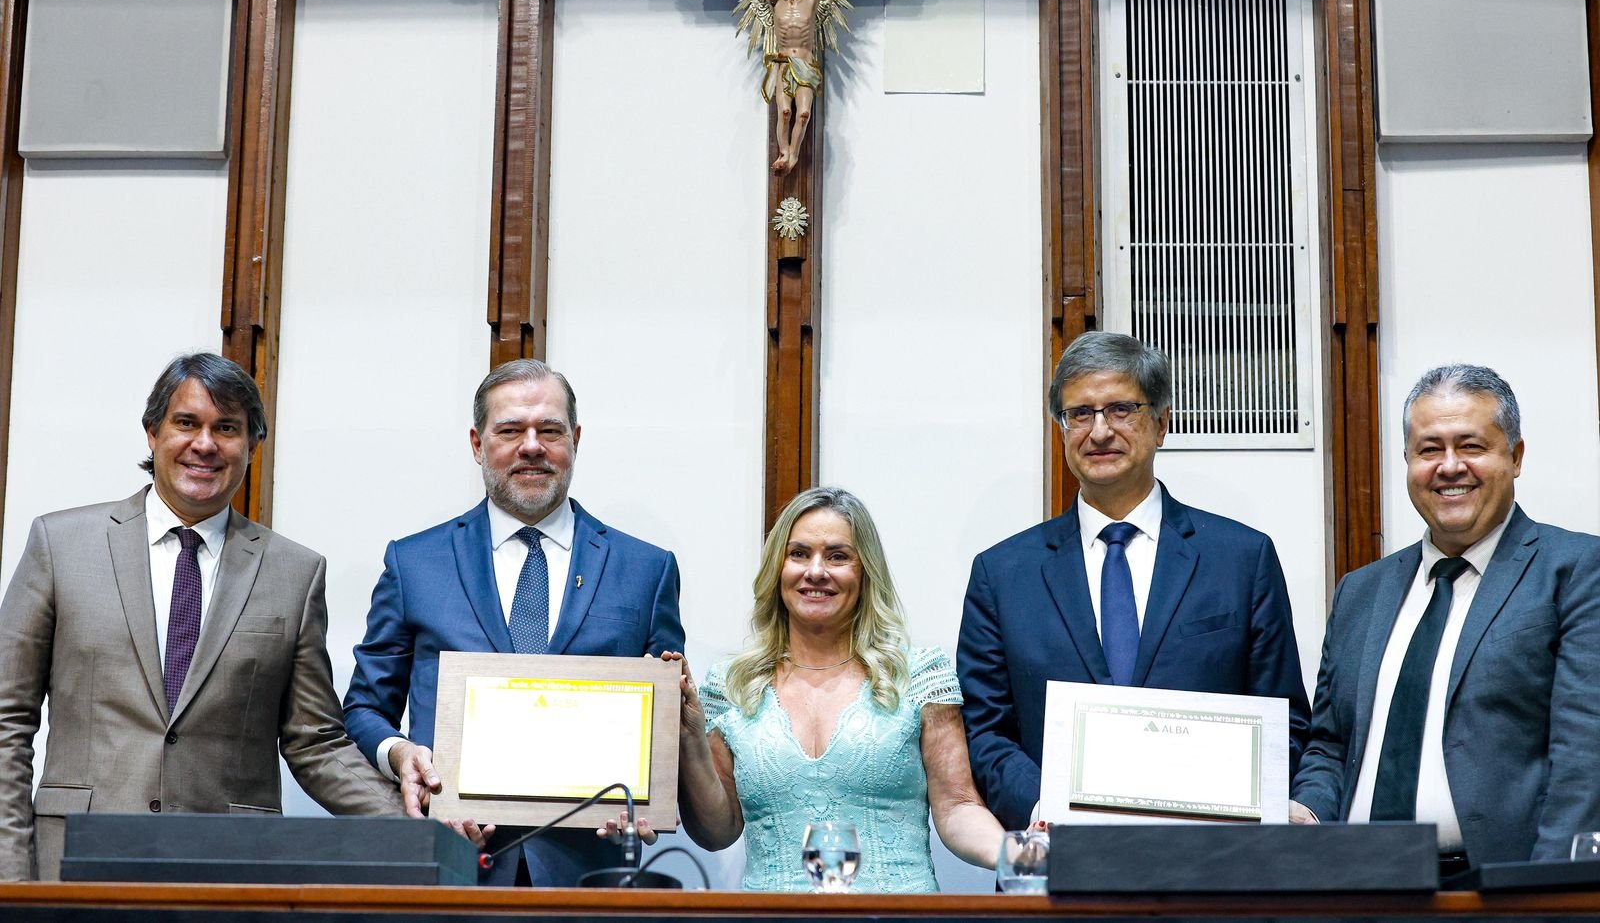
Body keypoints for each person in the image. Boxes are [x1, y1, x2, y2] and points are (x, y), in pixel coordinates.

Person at [0, 353, 401, 881]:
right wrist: (12, 875)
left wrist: (419, 821)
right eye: (186, 423)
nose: (205, 444)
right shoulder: (61, 545)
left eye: (227, 428)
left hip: (228, 874)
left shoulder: (295, 573)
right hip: (73, 864)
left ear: (251, 447)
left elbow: (315, 742)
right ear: (153, 433)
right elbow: (7, 719)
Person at [342, 358, 684, 887]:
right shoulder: (415, 564)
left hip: (590, 877)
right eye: (510, 431)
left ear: (575, 440)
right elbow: (364, 708)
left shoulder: (645, 569)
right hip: (453, 867)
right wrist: (401, 755)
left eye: (550, 430)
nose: (531, 446)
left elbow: (669, 719)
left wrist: (650, 790)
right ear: (477, 444)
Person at [958, 331, 1311, 831]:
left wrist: (1224, 801)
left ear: (1162, 423)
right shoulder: (1002, 574)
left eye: (1121, 409)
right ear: (1062, 429)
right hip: (1058, 854)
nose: (1100, 431)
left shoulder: (1242, 559)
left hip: (1207, 855)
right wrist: (1047, 809)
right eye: (1080, 414)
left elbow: (1283, 719)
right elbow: (986, 729)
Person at [1291, 364, 1600, 867]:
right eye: (1429, 449)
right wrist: (1309, 812)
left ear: (1515, 456)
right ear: (1408, 461)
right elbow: (1330, 745)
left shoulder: (1576, 570)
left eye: (1471, 446)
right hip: (1357, 881)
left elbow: (1585, 752)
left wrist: (1549, 886)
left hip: (1497, 886)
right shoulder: (1360, 592)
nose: (1450, 466)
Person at [661, 486, 1004, 892]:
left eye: (838, 556)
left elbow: (958, 808)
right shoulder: (733, 682)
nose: (816, 571)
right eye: (799, 553)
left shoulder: (917, 674)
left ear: (865, 571)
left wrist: (1021, 854)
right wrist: (690, 737)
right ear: (777, 568)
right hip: (771, 917)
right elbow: (717, 831)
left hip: (897, 916)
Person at [728, 0, 860, 176]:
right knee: (785, 112)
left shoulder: (811, 0)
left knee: (803, 114)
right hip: (784, 64)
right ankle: (783, 153)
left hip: (805, 65)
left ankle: (794, 154)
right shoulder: (775, 1)